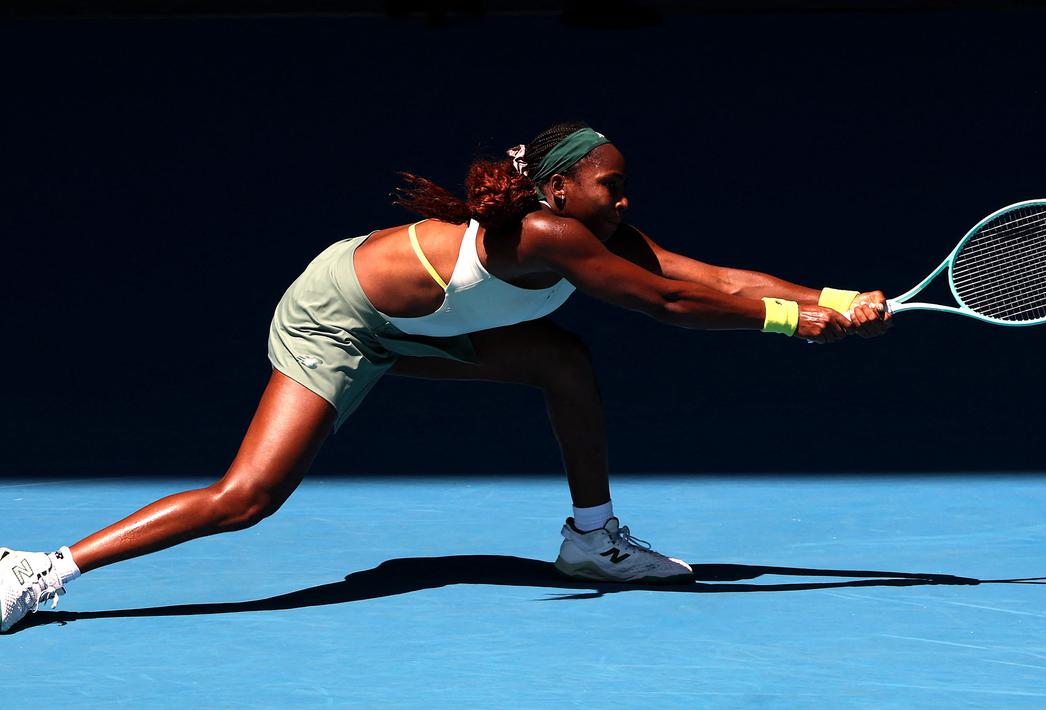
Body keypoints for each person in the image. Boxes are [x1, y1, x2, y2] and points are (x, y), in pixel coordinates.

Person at [1, 122, 890, 633]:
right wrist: (787, 321)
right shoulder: (547, 238)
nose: (625, 200)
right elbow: (666, 305)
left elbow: (712, 277)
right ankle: (39, 570)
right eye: (610, 187)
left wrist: (835, 297)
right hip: (339, 317)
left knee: (562, 360)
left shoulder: (592, 229)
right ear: (555, 194)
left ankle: (592, 540)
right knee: (249, 498)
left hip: (425, 323)